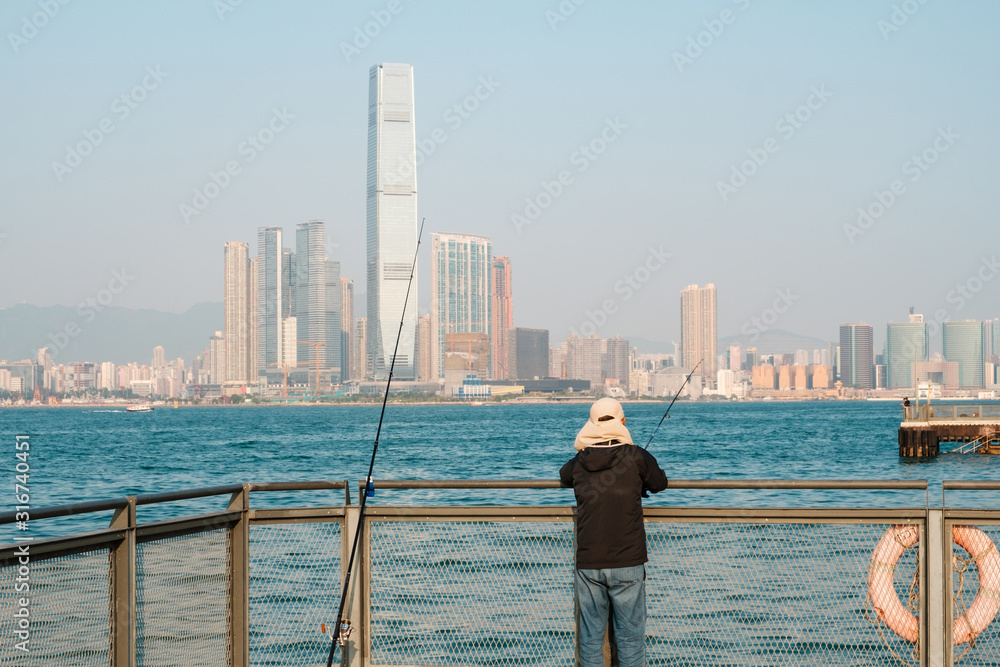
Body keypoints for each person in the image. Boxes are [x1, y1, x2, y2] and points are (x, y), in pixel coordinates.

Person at [559, 397, 668, 667]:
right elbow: (660, 483)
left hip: (589, 561)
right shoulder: (636, 456)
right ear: (622, 422)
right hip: (628, 560)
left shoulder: (580, 461)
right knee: (630, 637)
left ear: (591, 424)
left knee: (591, 637)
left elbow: (564, 476)